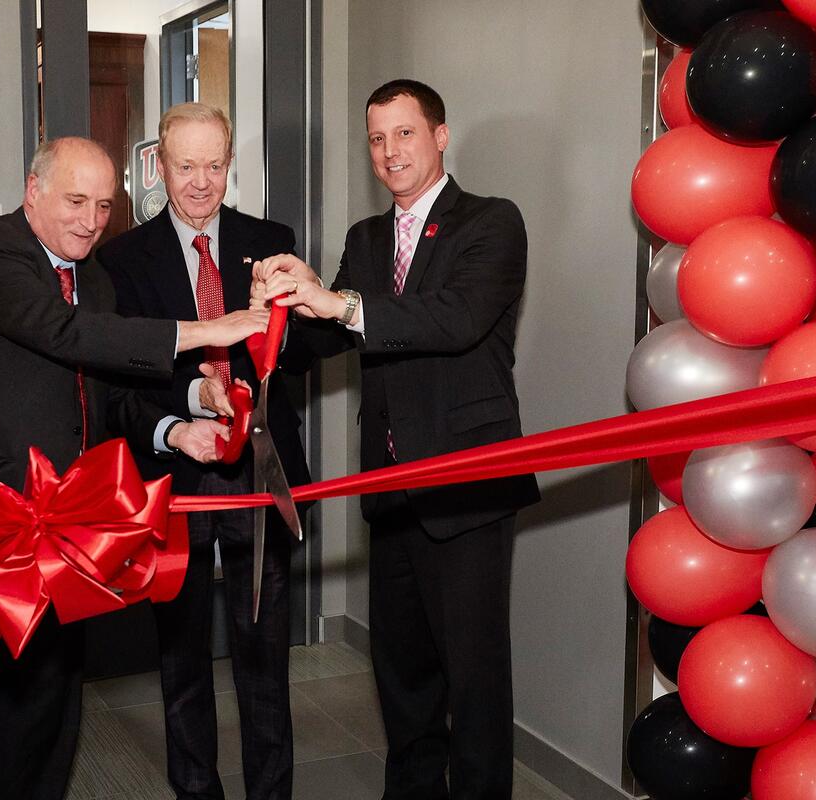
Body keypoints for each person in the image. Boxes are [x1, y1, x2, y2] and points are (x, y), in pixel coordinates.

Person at [0, 136, 267, 800]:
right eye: (75, 200)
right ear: (32, 190)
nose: (90, 221)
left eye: (103, 206)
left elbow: (109, 393)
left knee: (44, 724)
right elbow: (67, 335)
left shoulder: (93, 278)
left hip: (57, 542)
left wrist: (182, 421)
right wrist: (208, 331)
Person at [253, 80, 540, 799]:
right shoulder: (367, 238)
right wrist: (275, 315)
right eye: (378, 139)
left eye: (405, 135)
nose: (390, 152)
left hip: (468, 489)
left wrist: (338, 301)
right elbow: (334, 335)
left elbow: (454, 319)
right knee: (403, 677)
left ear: (441, 136)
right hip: (388, 488)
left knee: (473, 684)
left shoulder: (491, 222)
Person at [98, 102, 309, 800]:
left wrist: (288, 322)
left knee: (264, 659)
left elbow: (301, 354)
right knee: (182, 655)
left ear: (229, 164)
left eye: (213, 165)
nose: (199, 182)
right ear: (160, 166)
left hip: (258, 472)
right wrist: (194, 400)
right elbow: (126, 372)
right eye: (184, 165)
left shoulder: (271, 239)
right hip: (176, 473)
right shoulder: (120, 260)